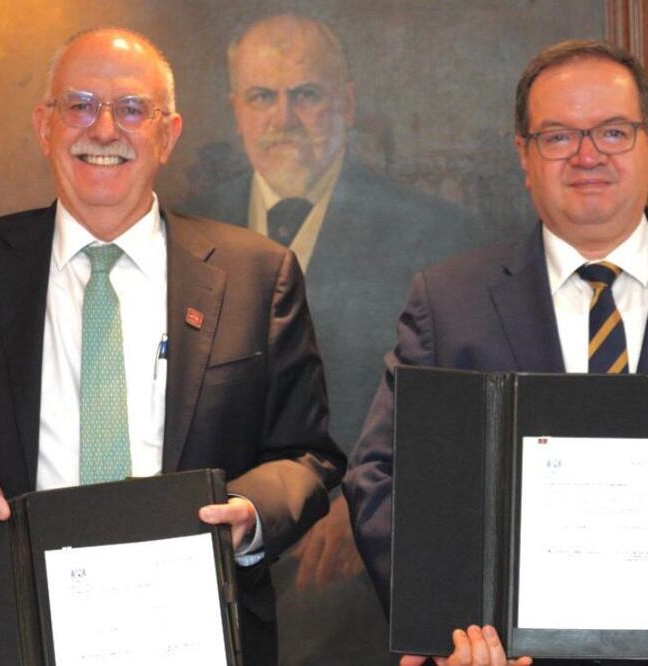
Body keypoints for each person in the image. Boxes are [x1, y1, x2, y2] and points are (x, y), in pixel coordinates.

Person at [344, 39, 648, 666]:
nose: (587, 155)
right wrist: (450, 630)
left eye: (613, 132)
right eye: (558, 136)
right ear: (524, 154)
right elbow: (381, 478)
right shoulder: (450, 302)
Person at [0, 28, 344, 666]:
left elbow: (307, 455)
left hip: (190, 632)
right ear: (45, 126)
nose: (105, 129)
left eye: (133, 109)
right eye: (81, 105)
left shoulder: (257, 273)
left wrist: (251, 510)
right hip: (4, 633)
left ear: (168, 135)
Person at [180, 14, 482, 665]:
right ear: (236, 108)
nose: (283, 117)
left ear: (345, 101)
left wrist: (366, 505)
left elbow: (450, 411)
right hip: (205, 580)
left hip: (355, 582)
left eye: (306, 94)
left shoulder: (432, 234)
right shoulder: (184, 225)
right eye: (262, 96)